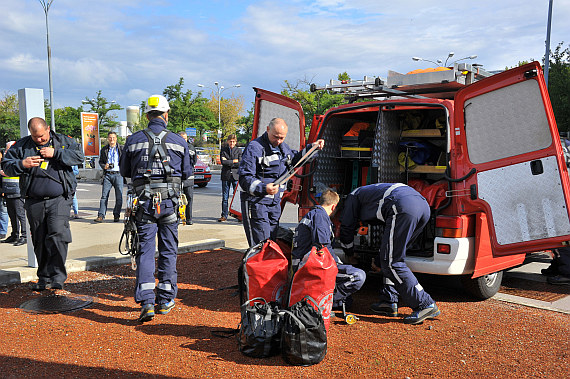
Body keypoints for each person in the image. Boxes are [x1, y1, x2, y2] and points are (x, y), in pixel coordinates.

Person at [120, 94, 192, 322]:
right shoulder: (179, 142)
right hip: (170, 205)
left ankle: (147, 301)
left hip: (144, 205)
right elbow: (188, 173)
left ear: (147, 115)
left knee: (145, 251)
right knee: (169, 251)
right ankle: (166, 299)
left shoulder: (133, 140)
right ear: (166, 115)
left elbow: (124, 171)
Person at [1, 117, 84, 290]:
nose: (39, 139)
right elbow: (6, 166)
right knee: (39, 239)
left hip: (59, 198)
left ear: (48, 129)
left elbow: (79, 157)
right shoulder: (22, 145)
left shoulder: (63, 141)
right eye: (35, 136)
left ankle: (58, 277)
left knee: (57, 235)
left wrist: (56, 153)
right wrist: (22, 164)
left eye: (42, 136)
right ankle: (43, 277)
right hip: (34, 201)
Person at [339, 183, 440, 325]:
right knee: (391, 257)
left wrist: (349, 253)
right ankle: (389, 301)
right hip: (422, 206)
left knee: (392, 262)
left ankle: (424, 303)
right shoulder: (370, 193)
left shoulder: (353, 196)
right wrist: (379, 262)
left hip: (402, 207)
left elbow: (346, 227)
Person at [238, 117, 324, 246]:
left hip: (274, 204)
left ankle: (268, 265)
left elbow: (295, 159)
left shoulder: (283, 148)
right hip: (257, 203)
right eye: (275, 137)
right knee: (261, 245)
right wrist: (263, 188)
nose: (278, 141)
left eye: (282, 138)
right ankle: (258, 265)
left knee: (271, 242)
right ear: (267, 130)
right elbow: (244, 177)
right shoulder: (254, 147)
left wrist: (313, 148)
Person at [291, 189, 366, 311]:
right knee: (357, 276)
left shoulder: (313, 214)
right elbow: (322, 247)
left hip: (302, 265)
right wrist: (336, 264)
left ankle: (326, 302)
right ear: (333, 207)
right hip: (310, 267)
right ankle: (320, 303)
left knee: (348, 301)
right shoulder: (320, 217)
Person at [1, 141, 27, 246]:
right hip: (8, 190)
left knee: (20, 214)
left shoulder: (19, 158)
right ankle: (14, 235)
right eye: (6, 149)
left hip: (17, 191)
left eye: (8, 148)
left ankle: (24, 236)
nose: (6, 151)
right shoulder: (7, 159)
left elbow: (21, 171)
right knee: (12, 215)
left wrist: (7, 172)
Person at [94, 131, 124, 223]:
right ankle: (101, 215)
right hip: (108, 174)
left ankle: (116, 215)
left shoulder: (121, 149)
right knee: (104, 196)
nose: (112, 139)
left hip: (118, 174)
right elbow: (101, 162)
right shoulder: (104, 149)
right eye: (110, 138)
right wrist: (104, 166)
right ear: (108, 139)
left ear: (116, 138)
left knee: (119, 196)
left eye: (113, 138)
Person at [218, 134, 242, 222]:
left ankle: (239, 215)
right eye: (230, 141)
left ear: (235, 142)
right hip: (226, 176)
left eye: (233, 141)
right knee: (225, 197)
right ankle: (224, 215)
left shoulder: (239, 150)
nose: (232, 143)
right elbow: (223, 162)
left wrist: (229, 161)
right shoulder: (223, 150)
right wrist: (233, 161)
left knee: (238, 198)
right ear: (228, 141)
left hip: (235, 176)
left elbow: (240, 163)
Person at [177, 131, 197, 225]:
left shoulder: (191, 147)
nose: (183, 140)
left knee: (189, 198)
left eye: (185, 138)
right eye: (182, 138)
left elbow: (194, 161)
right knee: (176, 199)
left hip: (189, 177)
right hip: (177, 177)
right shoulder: (175, 146)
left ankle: (189, 219)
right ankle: (177, 218)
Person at [0, 149, 9, 239]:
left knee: (3, 212)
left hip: (4, 191)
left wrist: (3, 191)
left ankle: (2, 231)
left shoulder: (5, 163)